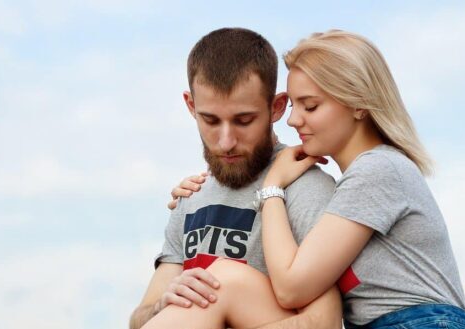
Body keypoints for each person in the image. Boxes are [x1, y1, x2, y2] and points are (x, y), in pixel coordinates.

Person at [173, 30, 465, 328]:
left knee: (226, 280)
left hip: (421, 324)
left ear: (358, 103)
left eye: (311, 106)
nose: (293, 120)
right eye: (293, 105)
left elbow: (291, 287)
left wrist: (272, 188)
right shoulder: (360, 179)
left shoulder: (379, 170)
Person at [129, 28, 342, 329]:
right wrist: (165, 304)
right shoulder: (192, 196)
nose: (226, 141)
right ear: (191, 106)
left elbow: (326, 323)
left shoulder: (306, 189)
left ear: (277, 107)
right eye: (211, 120)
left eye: (244, 121)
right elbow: (139, 319)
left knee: (225, 280)